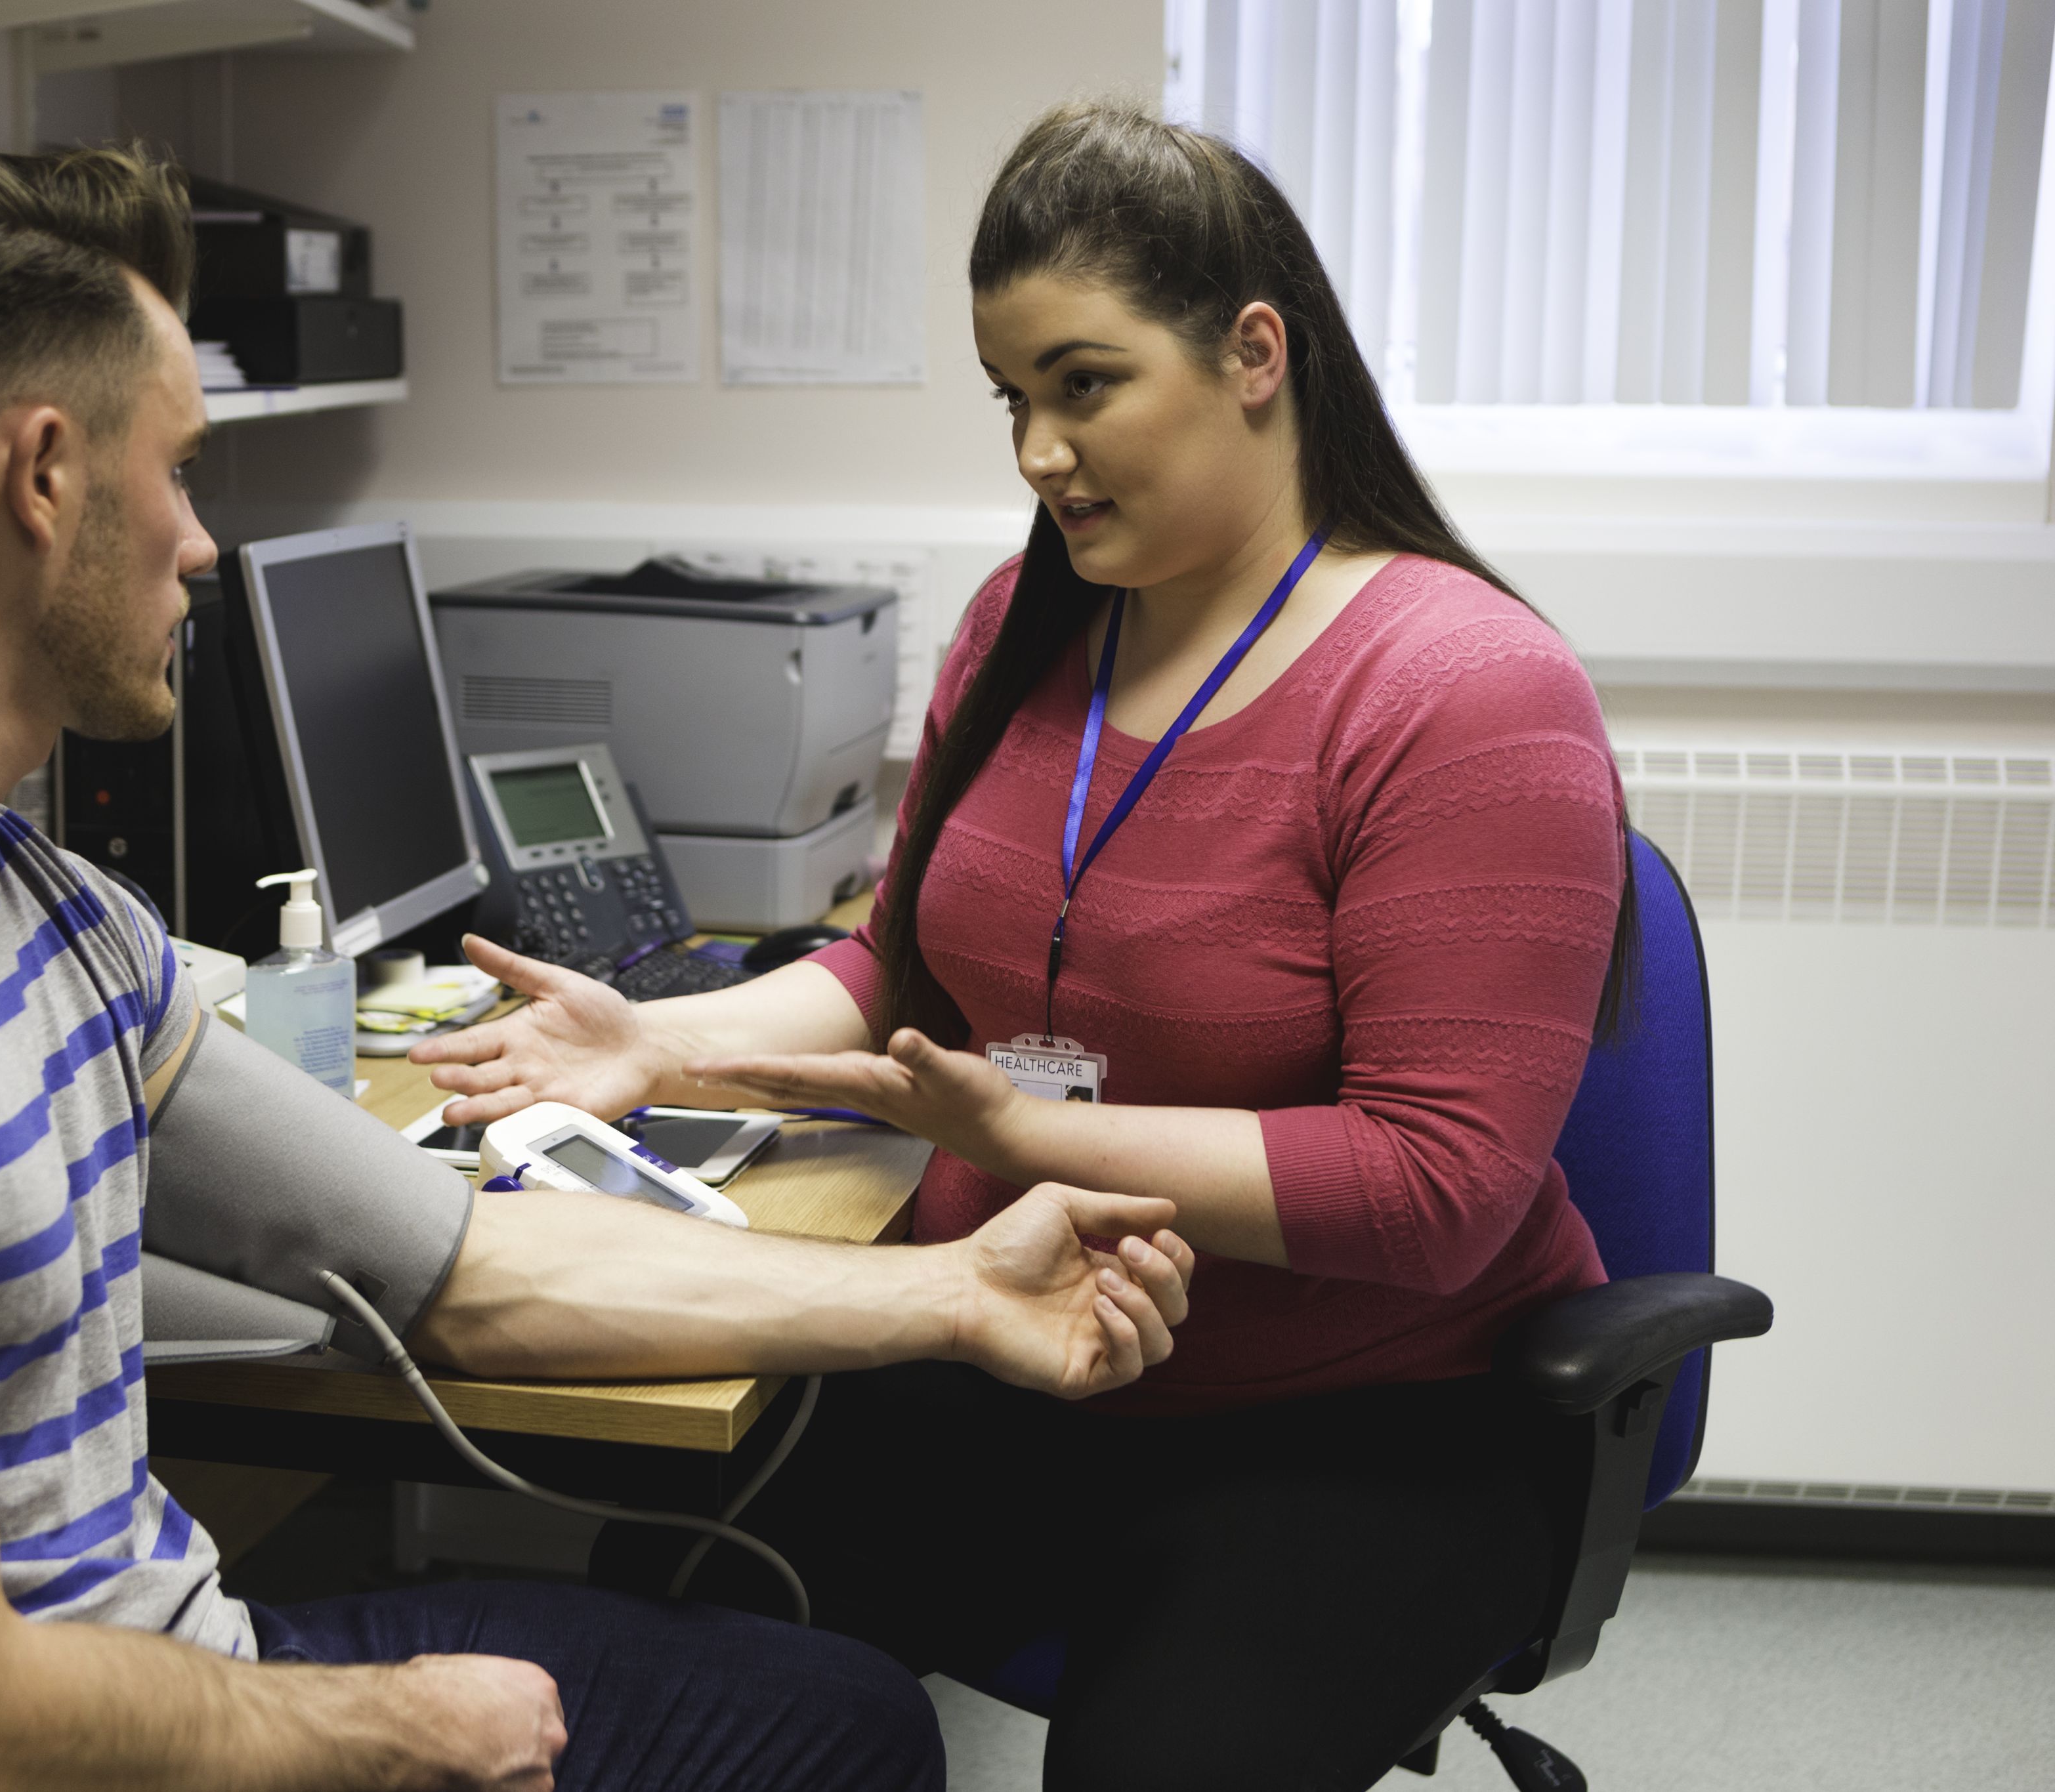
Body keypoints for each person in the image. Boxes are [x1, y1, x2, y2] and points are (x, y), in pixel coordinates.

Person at [0, 140, 1200, 1792]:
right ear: (45, 474)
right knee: (842, 1736)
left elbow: (452, 1261)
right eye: (181, 471)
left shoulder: (29, 902)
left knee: (831, 1709)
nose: (204, 544)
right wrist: (394, 1730)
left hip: (154, 1666)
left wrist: (960, 1293)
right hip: (48, 1746)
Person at [413, 100, 1632, 1792]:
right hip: (1014, 1338)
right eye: (1012, 399)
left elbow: (1441, 1191)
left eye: (1085, 384)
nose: (1038, 451)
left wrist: (1020, 1137)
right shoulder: (1021, 622)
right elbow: (908, 970)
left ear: (1254, 354)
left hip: (1369, 1417)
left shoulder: (1467, 693)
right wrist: (659, 1042)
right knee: (667, 1664)